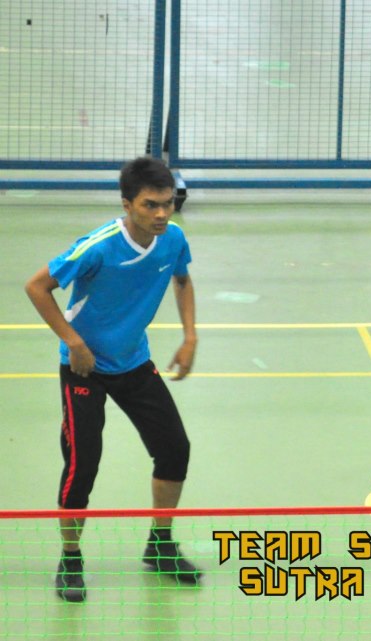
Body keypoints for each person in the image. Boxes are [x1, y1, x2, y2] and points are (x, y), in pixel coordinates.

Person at [24, 157, 201, 602]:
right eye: (150, 205)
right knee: (82, 466)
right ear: (127, 204)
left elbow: (182, 280)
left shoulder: (173, 239)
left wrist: (190, 336)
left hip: (133, 361)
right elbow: (37, 287)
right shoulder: (99, 247)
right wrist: (74, 342)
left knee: (174, 449)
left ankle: (159, 546)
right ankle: (70, 558)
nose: (161, 213)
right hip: (83, 368)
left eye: (167, 203)